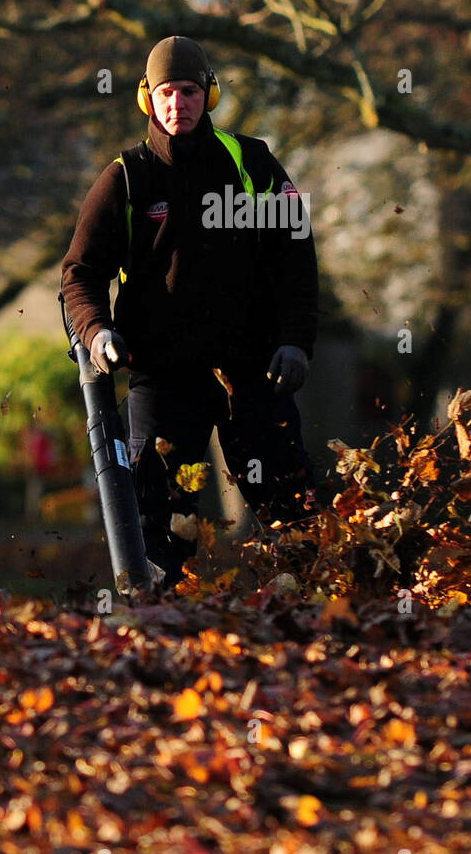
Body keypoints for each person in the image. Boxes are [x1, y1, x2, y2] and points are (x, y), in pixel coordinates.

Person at [60, 35, 318, 586]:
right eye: (166, 93)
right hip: (164, 373)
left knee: (293, 504)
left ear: (210, 94)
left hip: (253, 369)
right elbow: (79, 275)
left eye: (190, 91)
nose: (179, 104)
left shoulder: (254, 164)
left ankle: (326, 605)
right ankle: (161, 624)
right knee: (160, 516)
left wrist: (297, 339)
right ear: (146, 99)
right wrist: (98, 332)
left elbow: (296, 256)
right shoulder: (124, 179)